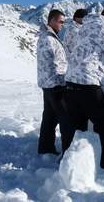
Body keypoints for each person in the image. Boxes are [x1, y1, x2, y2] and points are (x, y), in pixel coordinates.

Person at [64, 5, 104, 169]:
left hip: (71, 82)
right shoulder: (101, 26)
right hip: (87, 83)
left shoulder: (84, 26)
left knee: (78, 128)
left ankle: (73, 164)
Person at [36, 9, 70, 155]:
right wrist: (65, 79)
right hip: (55, 84)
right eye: (60, 21)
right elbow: (56, 64)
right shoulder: (49, 39)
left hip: (47, 84)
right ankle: (68, 151)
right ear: (51, 20)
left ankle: (45, 148)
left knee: (49, 118)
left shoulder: (46, 36)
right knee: (65, 119)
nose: (62, 25)